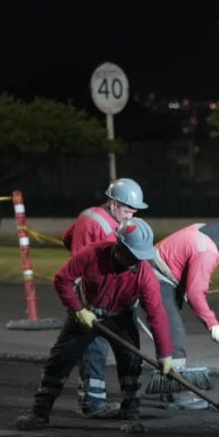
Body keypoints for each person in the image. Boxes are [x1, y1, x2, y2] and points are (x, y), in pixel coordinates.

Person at [15, 217, 174, 434]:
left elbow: (156, 314)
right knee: (59, 362)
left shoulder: (144, 274)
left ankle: (131, 417)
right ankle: (39, 413)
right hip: (86, 312)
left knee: (131, 365)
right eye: (133, 255)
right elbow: (62, 279)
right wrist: (78, 310)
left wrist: (165, 354)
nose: (137, 260)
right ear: (119, 247)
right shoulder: (92, 254)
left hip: (121, 317)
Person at [148, 220, 219, 410]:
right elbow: (195, 293)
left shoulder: (208, 231)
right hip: (155, 277)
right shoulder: (208, 250)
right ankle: (176, 394)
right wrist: (213, 324)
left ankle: (168, 389)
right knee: (174, 336)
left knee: (169, 334)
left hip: (161, 274)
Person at [61, 178, 149, 419]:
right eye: (127, 211)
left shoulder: (113, 222)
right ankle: (92, 402)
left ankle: (102, 400)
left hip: (106, 293)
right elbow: (77, 258)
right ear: (112, 204)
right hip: (90, 296)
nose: (131, 216)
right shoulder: (94, 222)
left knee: (113, 348)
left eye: (134, 212)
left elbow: (65, 237)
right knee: (94, 347)